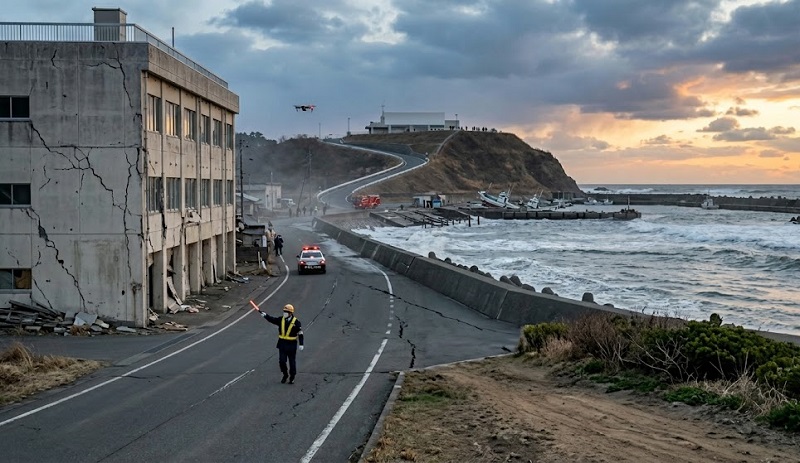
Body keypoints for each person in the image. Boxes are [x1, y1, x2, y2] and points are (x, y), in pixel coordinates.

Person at [256, 304, 304, 384]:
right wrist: (265, 315)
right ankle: (285, 374)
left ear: (290, 313)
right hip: (282, 344)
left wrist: (301, 344)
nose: (284, 313)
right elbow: (272, 320)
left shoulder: (296, 322)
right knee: (282, 361)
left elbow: (300, 333)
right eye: (284, 312)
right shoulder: (281, 320)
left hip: (292, 345)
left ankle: (292, 376)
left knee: (292, 362)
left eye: (286, 312)